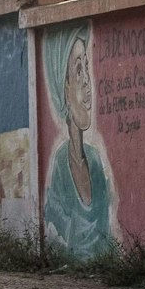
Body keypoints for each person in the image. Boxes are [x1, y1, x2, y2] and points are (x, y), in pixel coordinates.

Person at [41, 26, 114, 259]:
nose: (87, 83)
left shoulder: (94, 160)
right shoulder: (60, 167)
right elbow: (53, 225)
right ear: (63, 88)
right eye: (78, 71)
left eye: (87, 68)